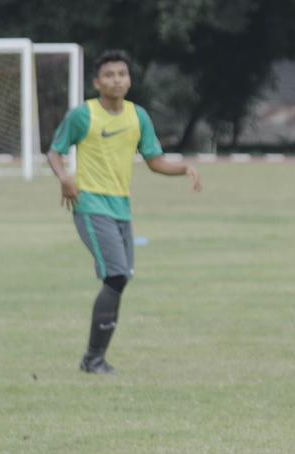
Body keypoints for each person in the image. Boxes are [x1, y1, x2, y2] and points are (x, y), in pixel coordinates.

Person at [46, 49, 201, 375]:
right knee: (116, 275)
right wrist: (64, 178)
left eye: (122, 74)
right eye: (109, 75)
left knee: (121, 278)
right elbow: (55, 151)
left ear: (129, 80)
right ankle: (93, 359)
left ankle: (94, 359)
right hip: (89, 205)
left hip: (121, 208)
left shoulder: (138, 116)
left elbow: (155, 161)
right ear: (97, 82)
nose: (117, 79)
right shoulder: (83, 115)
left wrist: (183, 166)